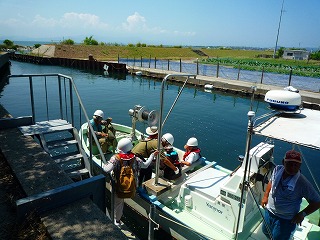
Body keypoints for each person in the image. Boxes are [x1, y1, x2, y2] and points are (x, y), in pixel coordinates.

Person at [261, 149, 320, 240]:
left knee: (279, 238)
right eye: (289, 164)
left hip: (285, 220)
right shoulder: (277, 169)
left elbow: (317, 202)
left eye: (295, 165)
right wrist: (265, 196)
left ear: (300, 165)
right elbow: (271, 182)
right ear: (283, 162)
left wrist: (302, 214)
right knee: (265, 231)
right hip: (269, 212)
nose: (292, 167)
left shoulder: (302, 183)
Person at [102, 137, 159, 227]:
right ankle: (118, 220)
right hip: (131, 186)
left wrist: (106, 164)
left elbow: (106, 169)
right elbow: (146, 165)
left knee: (118, 204)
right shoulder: (135, 158)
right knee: (121, 202)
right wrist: (152, 155)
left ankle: (117, 222)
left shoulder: (116, 158)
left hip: (118, 187)